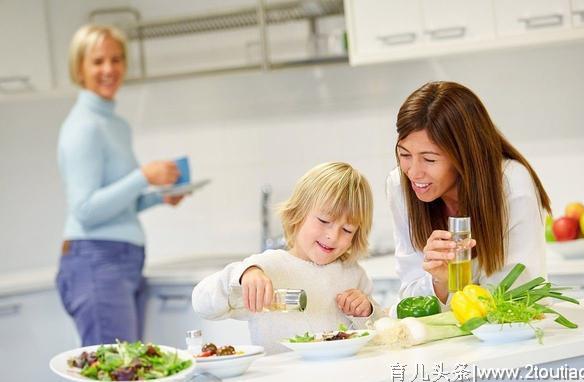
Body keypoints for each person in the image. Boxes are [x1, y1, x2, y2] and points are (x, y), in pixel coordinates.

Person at [56, 24, 186, 346]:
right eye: (98, 61)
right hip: (96, 259)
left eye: (116, 60)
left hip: (122, 260)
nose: (109, 69)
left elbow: (119, 204)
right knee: (116, 372)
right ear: (79, 68)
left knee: (128, 368)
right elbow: (85, 210)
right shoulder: (83, 127)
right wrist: (143, 176)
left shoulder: (116, 125)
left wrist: (160, 198)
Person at [387, 81, 551, 305]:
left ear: (463, 155)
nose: (414, 172)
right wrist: (440, 282)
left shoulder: (511, 183)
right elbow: (410, 295)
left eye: (429, 159)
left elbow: (520, 290)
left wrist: (457, 290)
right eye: (405, 155)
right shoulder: (399, 186)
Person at [192, 162, 381, 354]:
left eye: (347, 230)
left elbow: (380, 334)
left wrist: (367, 311)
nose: (333, 236)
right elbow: (202, 304)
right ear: (297, 214)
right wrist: (242, 275)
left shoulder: (353, 273)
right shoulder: (265, 269)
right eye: (324, 221)